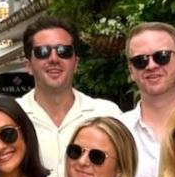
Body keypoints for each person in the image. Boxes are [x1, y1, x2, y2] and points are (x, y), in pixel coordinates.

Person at [20, 16, 121, 168]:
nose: (54, 58)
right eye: (42, 52)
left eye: (64, 51)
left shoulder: (107, 114)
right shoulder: (12, 117)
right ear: (28, 65)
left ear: (76, 63)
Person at [119, 22, 175, 177]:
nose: (151, 65)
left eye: (162, 56)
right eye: (140, 61)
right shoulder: (117, 133)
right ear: (131, 71)